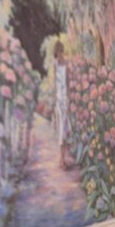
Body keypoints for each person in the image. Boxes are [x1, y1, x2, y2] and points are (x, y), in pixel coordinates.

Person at [52, 40, 71, 168]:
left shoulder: (66, 64)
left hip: (64, 98)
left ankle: (62, 159)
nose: (59, 54)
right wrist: (56, 98)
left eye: (59, 52)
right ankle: (61, 159)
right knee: (61, 127)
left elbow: (67, 82)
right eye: (57, 52)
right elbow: (55, 82)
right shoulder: (55, 65)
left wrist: (68, 97)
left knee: (64, 127)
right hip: (59, 98)